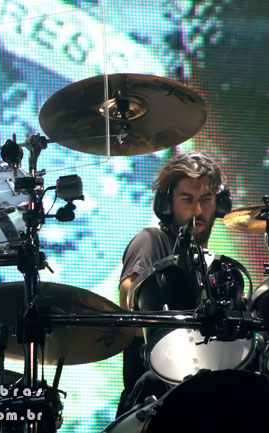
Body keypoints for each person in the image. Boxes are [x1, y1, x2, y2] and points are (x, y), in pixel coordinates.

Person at [115, 151, 232, 416]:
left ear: (219, 204)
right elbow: (130, 312)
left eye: (206, 199)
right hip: (153, 398)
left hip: (204, 393)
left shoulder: (212, 266)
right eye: (187, 199)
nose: (198, 210)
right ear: (167, 204)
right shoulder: (151, 240)